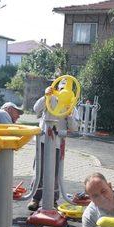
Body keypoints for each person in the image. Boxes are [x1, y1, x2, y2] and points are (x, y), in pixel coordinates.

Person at [28, 81, 79, 211]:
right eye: (61, 89)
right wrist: (46, 96)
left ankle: (53, 200)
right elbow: (36, 109)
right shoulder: (50, 98)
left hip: (57, 144)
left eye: (66, 90)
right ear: (57, 89)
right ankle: (35, 198)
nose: (63, 92)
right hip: (44, 140)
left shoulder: (71, 106)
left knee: (56, 173)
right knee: (39, 170)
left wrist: (69, 115)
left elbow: (74, 128)